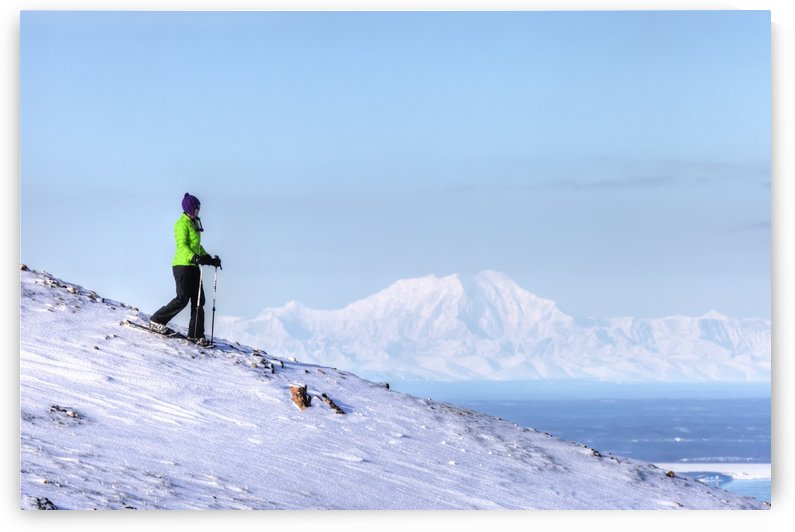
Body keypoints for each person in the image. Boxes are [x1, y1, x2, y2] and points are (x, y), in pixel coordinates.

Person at [150, 193, 222, 346]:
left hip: (194, 267)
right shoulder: (181, 224)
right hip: (182, 266)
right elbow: (182, 246)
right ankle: (157, 320)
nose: (198, 211)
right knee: (182, 298)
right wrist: (194, 257)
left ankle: (196, 334)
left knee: (199, 301)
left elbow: (196, 247)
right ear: (190, 208)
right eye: (197, 208)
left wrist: (208, 259)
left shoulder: (194, 223)